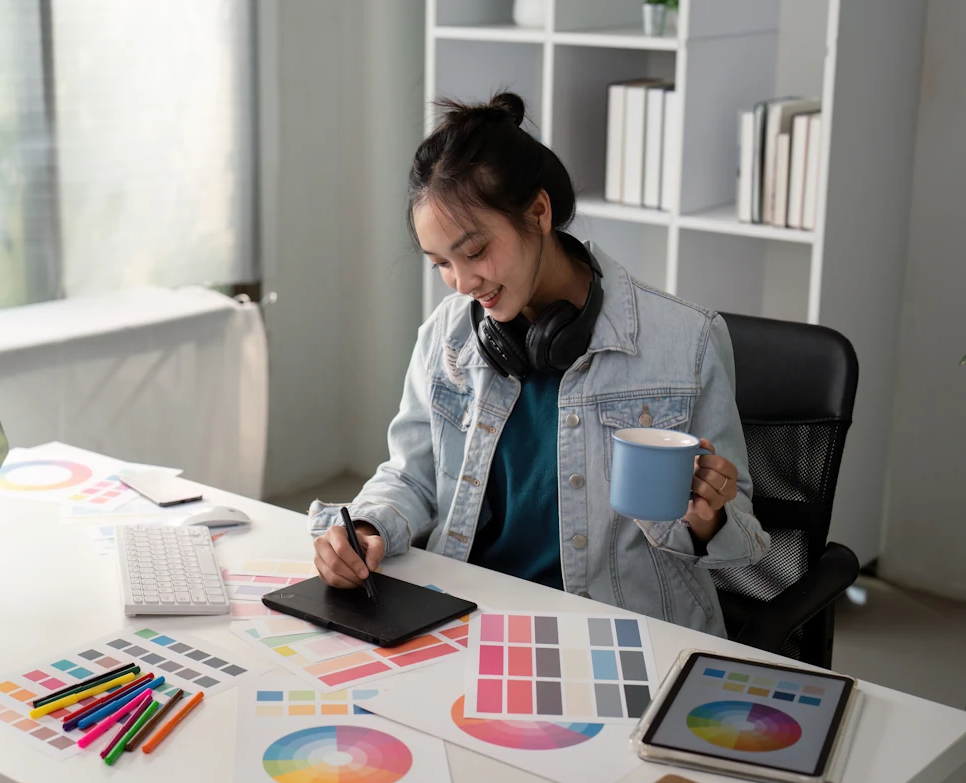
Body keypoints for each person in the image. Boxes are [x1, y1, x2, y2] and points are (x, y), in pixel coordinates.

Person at [309, 92, 768, 636]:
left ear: (539, 212)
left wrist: (707, 515)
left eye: (475, 251)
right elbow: (412, 475)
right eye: (441, 264)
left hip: (623, 633)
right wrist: (365, 524)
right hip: (471, 620)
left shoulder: (686, 341)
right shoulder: (446, 336)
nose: (462, 283)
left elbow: (743, 544)